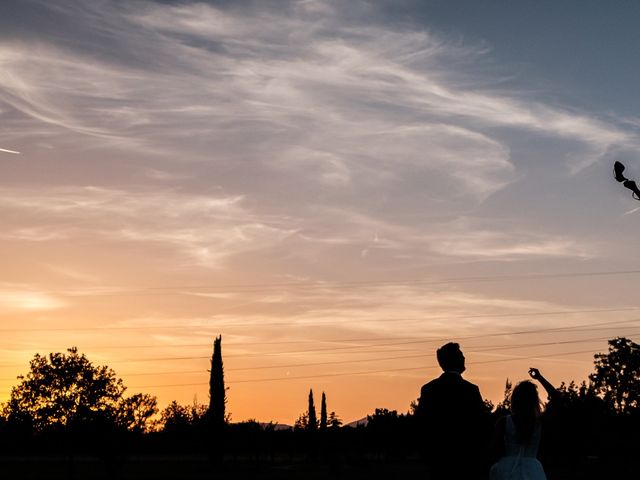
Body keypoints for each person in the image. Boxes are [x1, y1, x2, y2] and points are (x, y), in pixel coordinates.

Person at [416, 342, 488, 480]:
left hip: (438, 460)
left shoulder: (429, 389)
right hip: (466, 460)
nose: (464, 358)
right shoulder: (471, 390)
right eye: (461, 355)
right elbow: (482, 425)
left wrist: (428, 454)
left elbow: (421, 425)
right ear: (456, 360)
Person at [490, 368, 559, 480]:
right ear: (534, 400)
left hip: (506, 470)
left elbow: (494, 448)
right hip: (533, 471)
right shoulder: (539, 423)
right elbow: (556, 398)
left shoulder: (504, 422)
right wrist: (540, 377)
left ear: (515, 399)